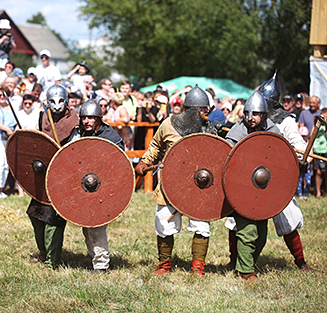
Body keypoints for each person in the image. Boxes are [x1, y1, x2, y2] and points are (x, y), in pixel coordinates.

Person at [224, 74, 314, 274]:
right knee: (239, 226)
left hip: (274, 181)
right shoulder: (242, 127)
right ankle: (239, 265)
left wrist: (299, 162)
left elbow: (295, 148)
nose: (252, 117)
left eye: (258, 111)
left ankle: (300, 261)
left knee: (284, 222)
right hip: (245, 182)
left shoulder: (283, 123)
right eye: (250, 112)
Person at [135, 86, 217, 276]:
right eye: (204, 109)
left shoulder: (209, 129)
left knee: (201, 225)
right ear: (193, 110)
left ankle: (198, 268)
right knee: (164, 222)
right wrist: (145, 161)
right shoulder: (168, 124)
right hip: (171, 183)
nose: (207, 112)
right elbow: (156, 145)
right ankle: (164, 265)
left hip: (199, 185)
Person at [224, 91, 281, 281]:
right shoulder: (237, 131)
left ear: (264, 115)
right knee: (248, 232)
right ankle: (246, 271)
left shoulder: (272, 130)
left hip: (263, 190)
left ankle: (245, 263)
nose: (251, 118)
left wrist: (295, 164)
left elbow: (281, 159)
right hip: (241, 188)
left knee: (261, 235)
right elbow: (227, 161)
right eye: (248, 113)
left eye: (255, 114)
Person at [27, 84, 79, 269]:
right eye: (52, 102)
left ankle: (53, 260)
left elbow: (74, 150)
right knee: (35, 214)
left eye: (60, 101)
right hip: (42, 173)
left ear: (66, 102)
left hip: (62, 174)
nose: (56, 106)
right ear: (47, 102)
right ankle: (44, 252)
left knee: (53, 219)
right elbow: (36, 140)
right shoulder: (42, 117)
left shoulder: (73, 121)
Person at [78, 99, 124, 273]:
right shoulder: (81, 134)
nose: (86, 121)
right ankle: (95, 259)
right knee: (87, 227)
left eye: (90, 118)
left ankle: (102, 265)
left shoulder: (110, 137)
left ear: (98, 118)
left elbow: (117, 164)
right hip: (86, 187)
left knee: (96, 226)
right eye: (84, 118)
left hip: (103, 188)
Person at [0, 87, 17, 199]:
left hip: (8, 139)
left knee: (6, 165)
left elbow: (15, 123)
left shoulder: (12, 108)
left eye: (3, 95)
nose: (1, 97)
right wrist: (6, 128)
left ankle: (1, 190)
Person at [313, 108, 327, 198]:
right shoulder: (317, 125)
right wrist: (317, 124)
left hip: (325, 150)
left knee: (326, 172)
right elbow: (312, 135)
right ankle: (318, 192)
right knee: (318, 172)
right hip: (317, 150)